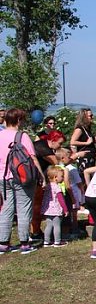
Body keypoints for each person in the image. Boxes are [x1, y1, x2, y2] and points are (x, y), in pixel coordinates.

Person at [0, 108, 44, 254]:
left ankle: (4, 242)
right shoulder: (22, 136)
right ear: (19, 120)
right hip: (22, 177)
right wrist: (41, 175)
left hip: (3, 177)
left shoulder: (0, 135)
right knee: (24, 207)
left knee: (7, 208)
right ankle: (24, 242)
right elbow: (32, 157)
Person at [30, 129, 64, 244]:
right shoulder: (43, 147)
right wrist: (75, 156)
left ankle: (35, 230)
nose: (60, 146)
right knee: (36, 206)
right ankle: (34, 231)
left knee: (37, 205)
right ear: (52, 140)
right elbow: (57, 163)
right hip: (35, 180)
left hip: (37, 179)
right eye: (59, 143)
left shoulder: (42, 145)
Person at [56, 147, 84, 240]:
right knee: (69, 213)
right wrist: (72, 198)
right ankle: (69, 233)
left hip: (57, 194)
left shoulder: (54, 168)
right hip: (66, 193)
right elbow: (67, 185)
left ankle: (59, 233)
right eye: (69, 157)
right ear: (63, 158)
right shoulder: (65, 169)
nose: (71, 158)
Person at [41, 165, 69, 247]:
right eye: (62, 176)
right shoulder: (57, 187)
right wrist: (65, 209)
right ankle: (57, 241)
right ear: (56, 177)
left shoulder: (47, 187)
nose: (63, 178)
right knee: (57, 225)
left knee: (49, 225)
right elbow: (61, 200)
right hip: (56, 210)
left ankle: (46, 241)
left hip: (48, 209)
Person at [69, 107, 96, 173]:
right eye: (90, 116)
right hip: (84, 157)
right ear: (84, 117)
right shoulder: (79, 129)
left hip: (91, 156)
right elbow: (72, 141)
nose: (92, 117)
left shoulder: (87, 128)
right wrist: (86, 143)